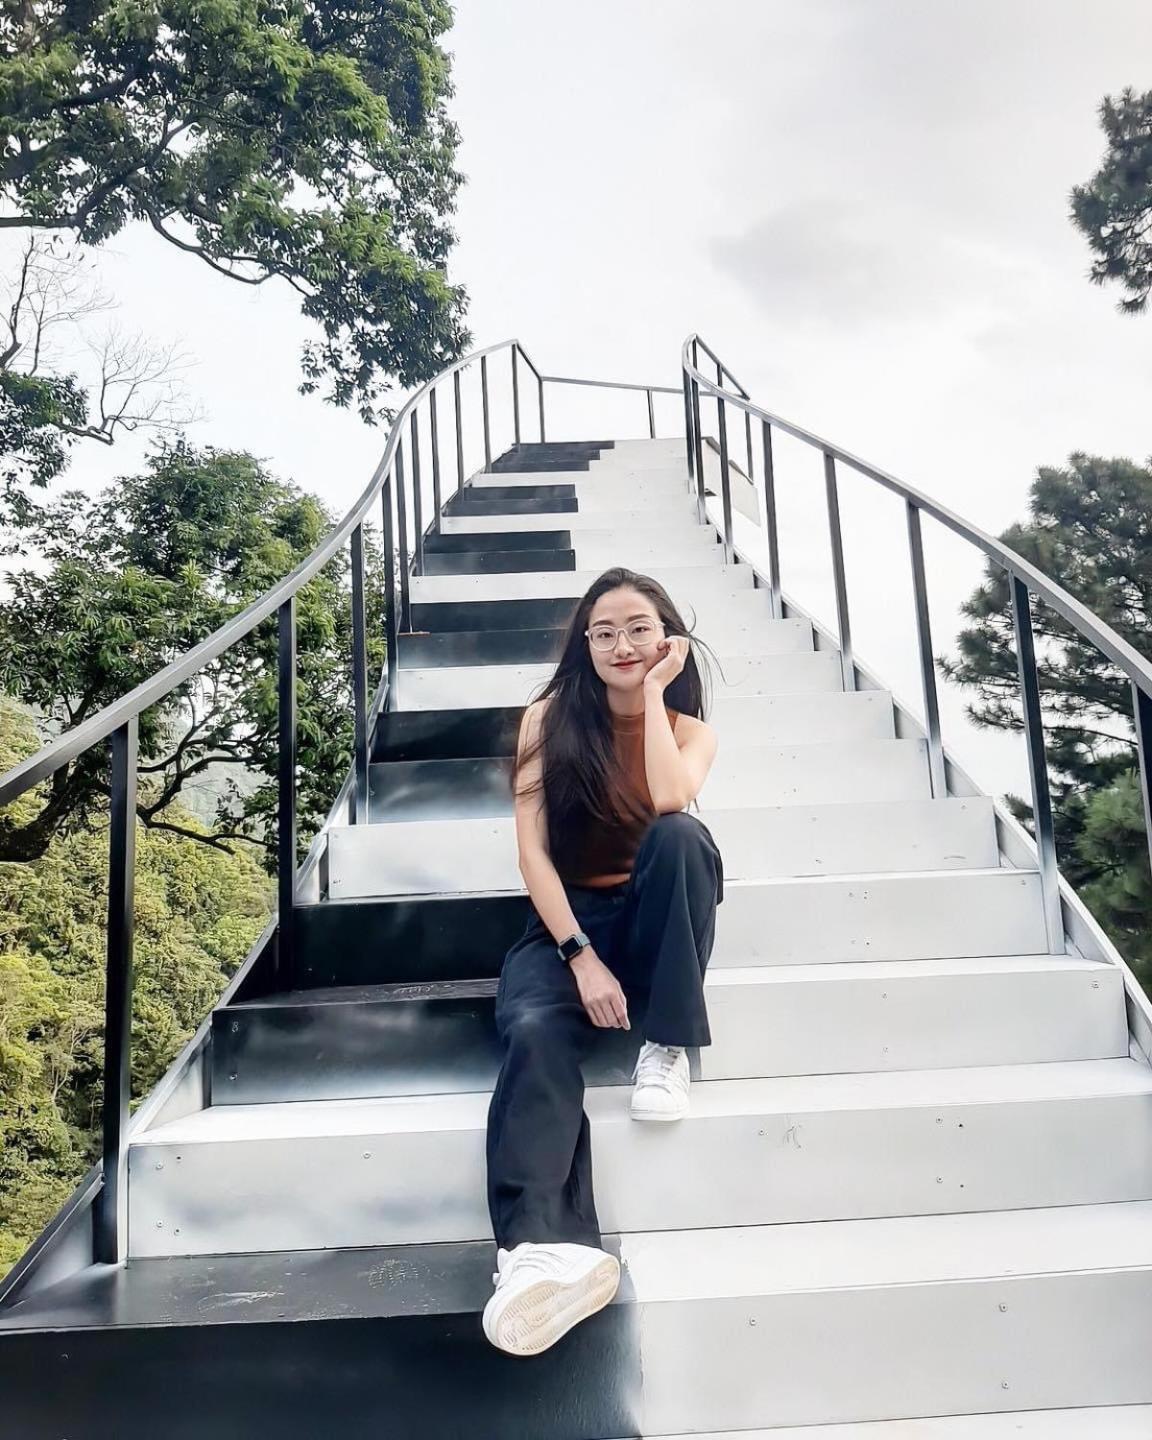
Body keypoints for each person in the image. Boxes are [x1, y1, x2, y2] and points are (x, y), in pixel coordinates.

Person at [482, 566, 723, 1357]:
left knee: (683, 839)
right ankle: (538, 1252)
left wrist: (653, 695)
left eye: (639, 629)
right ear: (584, 644)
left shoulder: (689, 730)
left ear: (667, 638)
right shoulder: (547, 721)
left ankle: (668, 1041)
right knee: (531, 1030)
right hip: (568, 921)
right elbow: (533, 855)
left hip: (654, 917)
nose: (622, 645)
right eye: (605, 633)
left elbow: (668, 802)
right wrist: (580, 957)